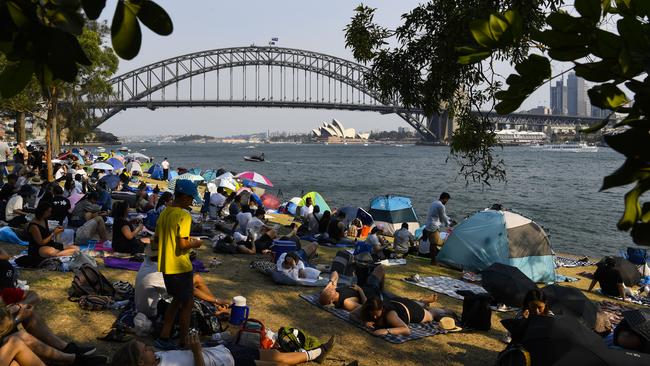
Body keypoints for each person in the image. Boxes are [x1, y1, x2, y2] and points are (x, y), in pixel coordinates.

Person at [154, 180, 203, 350]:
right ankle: (184, 341)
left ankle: (164, 336)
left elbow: (156, 241)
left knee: (175, 301)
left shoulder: (164, 213)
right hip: (181, 267)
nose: (192, 202)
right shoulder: (184, 215)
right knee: (187, 305)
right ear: (183, 196)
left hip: (167, 266)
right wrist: (195, 244)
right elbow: (182, 245)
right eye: (191, 198)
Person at [111, 335, 335, 366]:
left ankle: (315, 354)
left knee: (277, 356)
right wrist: (197, 350)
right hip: (228, 364)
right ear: (140, 362)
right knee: (278, 363)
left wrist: (192, 345)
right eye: (145, 350)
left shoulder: (158, 358)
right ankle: (316, 353)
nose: (150, 348)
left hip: (223, 351)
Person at [135, 246, 229, 319]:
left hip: (142, 305)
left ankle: (217, 306)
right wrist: (217, 300)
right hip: (153, 312)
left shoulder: (147, 262)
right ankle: (216, 308)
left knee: (196, 278)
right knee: (187, 297)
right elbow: (189, 289)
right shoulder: (158, 273)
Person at [353, 295, 450, 336]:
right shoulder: (368, 306)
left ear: (382, 309)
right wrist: (363, 322)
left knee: (431, 314)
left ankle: (443, 309)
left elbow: (406, 330)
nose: (374, 317)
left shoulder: (390, 315)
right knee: (416, 303)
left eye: (376, 315)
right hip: (398, 302)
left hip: (410, 311)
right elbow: (352, 315)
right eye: (372, 314)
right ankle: (423, 301)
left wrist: (386, 331)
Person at [319, 266, 386, 311]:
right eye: (329, 292)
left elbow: (335, 273)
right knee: (381, 268)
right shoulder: (346, 302)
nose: (329, 289)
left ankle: (382, 291)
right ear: (331, 300)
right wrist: (360, 290)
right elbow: (365, 307)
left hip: (363, 285)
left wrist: (330, 283)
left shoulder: (334, 291)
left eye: (327, 290)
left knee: (362, 266)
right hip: (372, 291)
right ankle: (382, 292)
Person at [424, 192, 452, 264]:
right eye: (447, 200)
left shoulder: (434, 203)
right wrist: (448, 224)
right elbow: (442, 217)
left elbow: (441, 215)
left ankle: (433, 260)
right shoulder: (441, 206)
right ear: (445, 199)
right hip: (433, 227)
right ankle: (433, 261)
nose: (447, 202)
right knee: (434, 244)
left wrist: (449, 219)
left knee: (432, 244)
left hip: (428, 225)